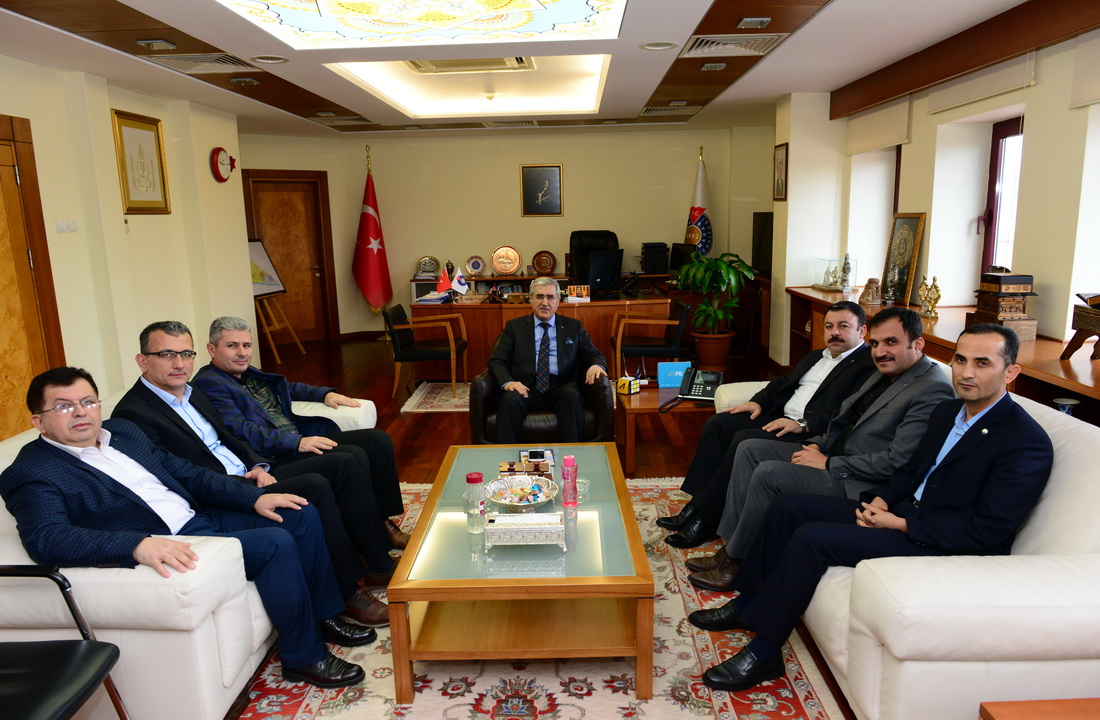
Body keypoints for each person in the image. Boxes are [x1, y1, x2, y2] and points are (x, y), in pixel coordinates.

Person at [689, 325, 1053, 693]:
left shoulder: (1025, 442)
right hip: (902, 513)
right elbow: (910, 471)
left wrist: (899, 524)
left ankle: (765, 652)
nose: (967, 372)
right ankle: (748, 603)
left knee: (813, 538)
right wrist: (881, 499)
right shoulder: (948, 412)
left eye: (982, 363)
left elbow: (987, 529)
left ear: (1010, 372)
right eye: (960, 360)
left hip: (942, 542)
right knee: (788, 508)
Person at [0, 367, 376, 689]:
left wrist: (253, 499)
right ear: (39, 421)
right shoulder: (31, 472)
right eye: (63, 406)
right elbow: (46, 538)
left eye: (87, 401)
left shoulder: (122, 432)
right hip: (175, 540)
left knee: (297, 511)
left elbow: (186, 472)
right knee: (275, 542)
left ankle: (324, 614)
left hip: (198, 515)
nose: (81, 412)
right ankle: (304, 658)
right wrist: (136, 545)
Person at [112, 321, 393, 625]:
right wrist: (244, 482)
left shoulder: (191, 392)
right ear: (143, 361)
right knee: (316, 484)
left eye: (185, 354)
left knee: (343, 462)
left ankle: (376, 557)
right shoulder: (132, 413)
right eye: (167, 354)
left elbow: (230, 439)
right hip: (222, 492)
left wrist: (257, 465)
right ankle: (348, 591)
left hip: (250, 471)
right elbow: (177, 475)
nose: (179, 363)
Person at [683, 307, 954, 591]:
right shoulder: (885, 371)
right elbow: (843, 421)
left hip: (860, 480)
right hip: (834, 453)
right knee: (750, 449)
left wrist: (827, 463)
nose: (880, 352)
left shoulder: (931, 389)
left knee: (769, 474)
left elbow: (895, 461)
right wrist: (817, 444)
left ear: (917, 344)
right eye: (875, 343)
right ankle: (731, 546)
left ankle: (738, 562)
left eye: (891, 342)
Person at [660, 301, 875, 548]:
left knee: (744, 440)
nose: (834, 332)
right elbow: (782, 381)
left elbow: (848, 412)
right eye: (829, 326)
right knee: (718, 424)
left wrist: (802, 424)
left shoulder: (868, 366)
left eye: (843, 326)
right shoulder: (817, 356)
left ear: (862, 331)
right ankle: (695, 505)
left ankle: (707, 520)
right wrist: (757, 402)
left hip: (807, 431)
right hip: (779, 416)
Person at [191, 316, 407, 551]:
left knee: (377, 440)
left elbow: (288, 387)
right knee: (351, 457)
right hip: (275, 454)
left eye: (247, 345)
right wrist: (297, 442)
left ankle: (383, 520)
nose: (242, 353)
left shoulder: (245, 373)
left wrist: (324, 394)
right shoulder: (209, 383)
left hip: (295, 439)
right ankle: (373, 540)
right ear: (212, 349)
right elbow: (241, 430)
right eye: (232, 346)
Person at [487, 277, 608, 443]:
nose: (545, 302)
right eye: (539, 296)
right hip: (525, 387)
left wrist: (596, 365)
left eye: (550, 297)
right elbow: (497, 361)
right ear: (530, 299)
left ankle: (572, 456)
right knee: (510, 400)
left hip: (561, 386)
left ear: (558, 300)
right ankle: (506, 457)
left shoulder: (573, 327)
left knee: (572, 396)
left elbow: (594, 354)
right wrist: (508, 383)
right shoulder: (514, 327)